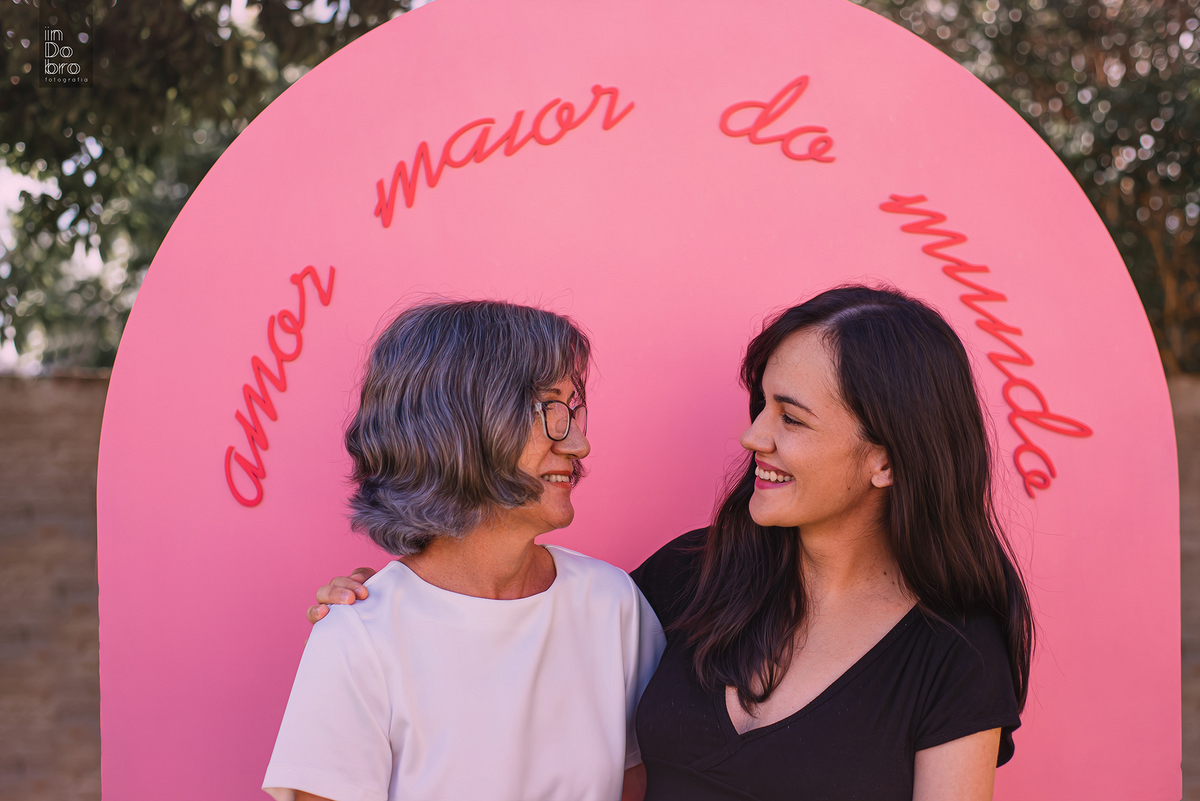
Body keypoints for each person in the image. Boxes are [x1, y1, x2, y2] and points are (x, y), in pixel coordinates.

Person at [310, 286, 1033, 801]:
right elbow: (517, 629)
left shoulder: (953, 653)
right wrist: (392, 597)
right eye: (761, 406)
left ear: (887, 457)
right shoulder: (690, 575)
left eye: (793, 417)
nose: (754, 436)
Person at [264, 300, 664, 801]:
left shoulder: (613, 604)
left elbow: (642, 783)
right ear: (461, 426)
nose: (579, 443)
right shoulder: (359, 636)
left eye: (573, 409)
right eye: (550, 411)